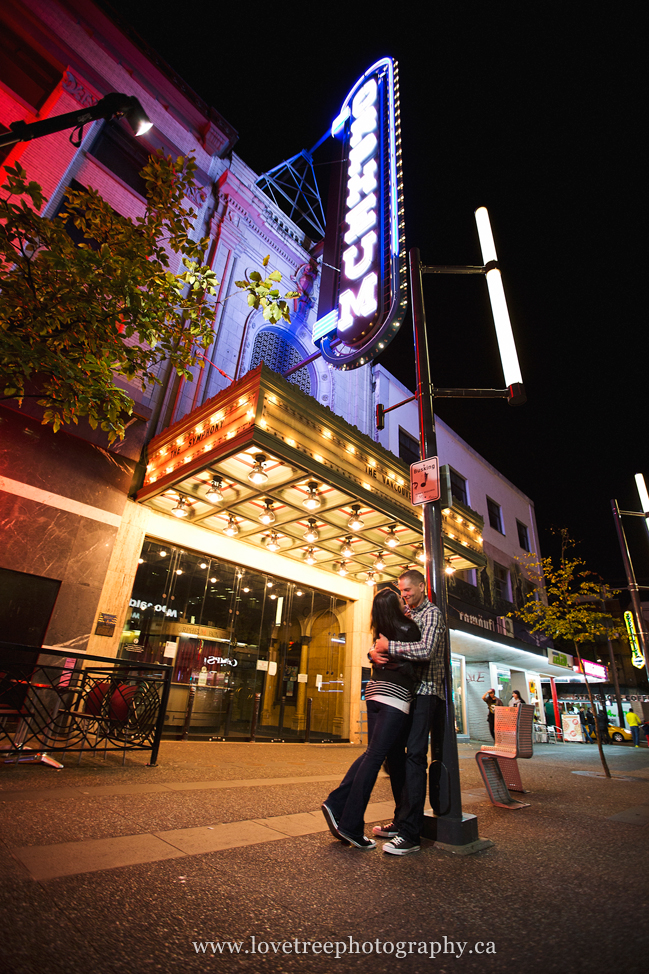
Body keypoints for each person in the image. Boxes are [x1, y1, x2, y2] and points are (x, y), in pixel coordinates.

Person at [321, 587, 420, 850]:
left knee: (373, 754)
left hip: (374, 693)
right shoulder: (409, 628)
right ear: (395, 605)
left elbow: (378, 654)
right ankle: (350, 823)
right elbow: (420, 658)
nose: (404, 599)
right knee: (376, 757)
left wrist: (374, 656)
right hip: (395, 697)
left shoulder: (380, 632)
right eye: (401, 598)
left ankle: (336, 804)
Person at [369, 569, 445, 856]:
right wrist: (372, 653)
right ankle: (401, 821)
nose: (404, 595)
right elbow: (387, 639)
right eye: (401, 591)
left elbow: (425, 650)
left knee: (414, 756)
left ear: (422, 587)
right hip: (404, 693)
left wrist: (391, 647)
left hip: (425, 694)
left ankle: (412, 833)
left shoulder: (431, 614)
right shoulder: (408, 614)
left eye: (408, 591)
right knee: (394, 756)